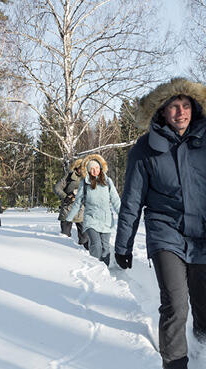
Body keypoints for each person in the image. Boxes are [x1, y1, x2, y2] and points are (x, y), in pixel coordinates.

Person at [116, 78, 206, 369]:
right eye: (174, 107)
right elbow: (131, 200)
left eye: (186, 105)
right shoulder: (144, 150)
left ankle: (201, 345)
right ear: (162, 112)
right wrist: (123, 245)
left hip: (202, 234)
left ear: (194, 108)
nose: (181, 112)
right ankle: (175, 363)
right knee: (176, 305)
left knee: (203, 306)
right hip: (165, 234)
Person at [65, 154, 120, 266]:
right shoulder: (84, 183)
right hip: (91, 219)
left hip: (106, 220)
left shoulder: (108, 182)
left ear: (101, 168)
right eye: (92, 169)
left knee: (105, 247)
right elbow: (78, 202)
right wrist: (69, 217)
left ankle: (105, 270)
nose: (95, 171)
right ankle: (96, 269)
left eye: (97, 168)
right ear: (89, 171)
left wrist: (123, 215)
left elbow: (116, 200)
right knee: (96, 245)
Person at [54, 158, 90, 249]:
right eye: (80, 168)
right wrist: (66, 197)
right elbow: (57, 188)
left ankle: (87, 254)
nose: (82, 170)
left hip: (81, 210)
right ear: (76, 168)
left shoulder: (88, 178)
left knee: (85, 237)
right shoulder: (68, 177)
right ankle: (66, 255)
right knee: (65, 236)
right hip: (67, 209)